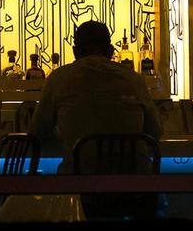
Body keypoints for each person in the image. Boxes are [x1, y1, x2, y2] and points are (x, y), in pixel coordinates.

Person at [29, 20, 161, 172]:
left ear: (75, 52)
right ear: (111, 51)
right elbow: (155, 132)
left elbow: (38, 132)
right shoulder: (134, 78)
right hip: (135, 183)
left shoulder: (59, 78)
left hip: (80, 182)